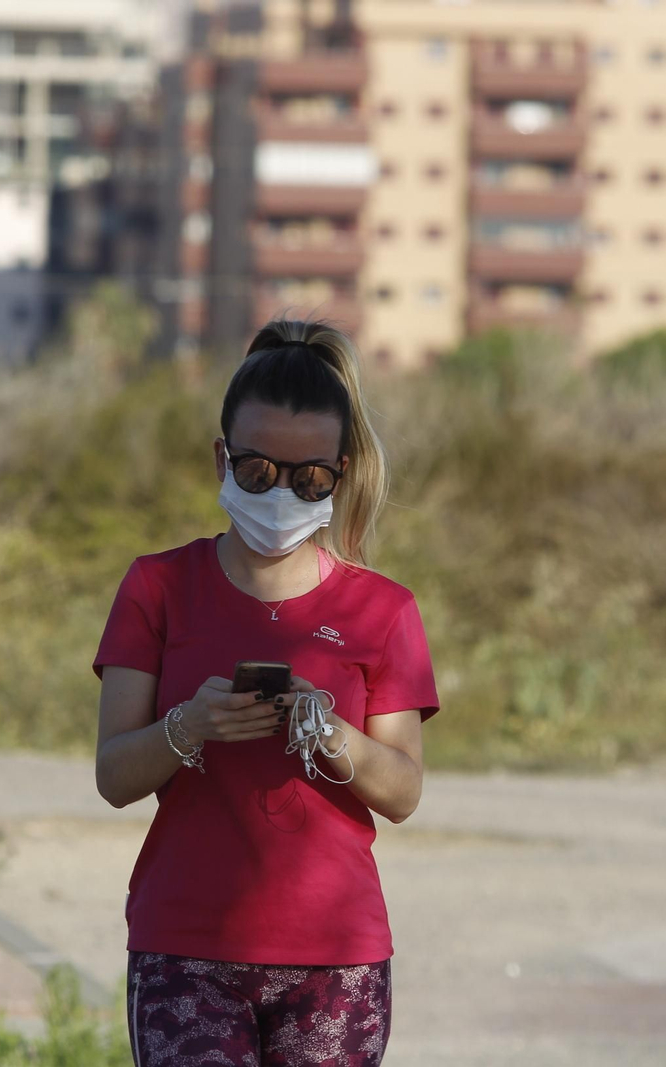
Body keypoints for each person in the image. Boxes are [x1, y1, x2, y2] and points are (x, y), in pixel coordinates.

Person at [92, 318, 440, 1066]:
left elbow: (405, 791)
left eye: (309, 477)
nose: (280, 492)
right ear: (222, 457)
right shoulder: (157, 587)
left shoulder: (385, 610)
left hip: (337, 957)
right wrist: (187, 726)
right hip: (185, 948)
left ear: (339, 474)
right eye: (257, 471)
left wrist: (332, 732)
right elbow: (114, 775)